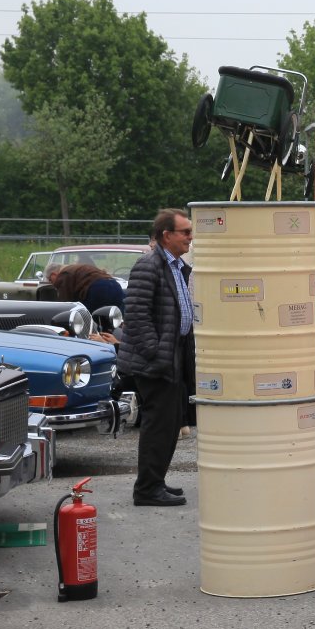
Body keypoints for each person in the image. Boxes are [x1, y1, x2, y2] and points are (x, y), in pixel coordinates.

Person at [116, 208, 197, 508]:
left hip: (172, 357)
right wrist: (155, 352)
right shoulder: (148, 265)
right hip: (156, 362)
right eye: (185, 232)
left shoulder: (177, 266)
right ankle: (147, 489)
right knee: (158, 425)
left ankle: (155, 482)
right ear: (166, 235)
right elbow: (136, 316)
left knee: (171, 424)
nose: (190, 237)